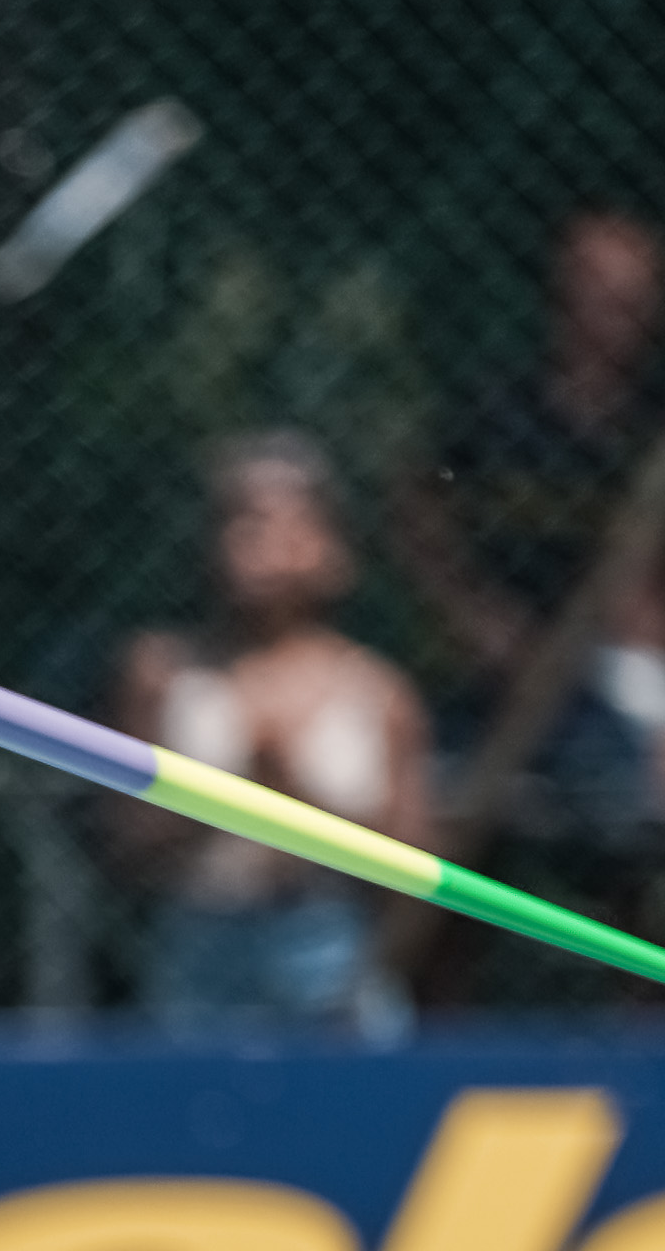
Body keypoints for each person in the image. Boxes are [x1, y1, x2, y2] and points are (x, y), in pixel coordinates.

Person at [111, 433, 430, 1041]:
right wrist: (225, 797)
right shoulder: (164, 672)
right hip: (201, 943)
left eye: (279, 523)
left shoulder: (379, 691)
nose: (252, 543)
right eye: (237, 521)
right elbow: (126, 844)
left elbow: (412, 865)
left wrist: (293, 795)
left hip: (335, 948)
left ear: (331, 545)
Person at [398, 210, 665, 862]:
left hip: (615, 674)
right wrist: (472, 614)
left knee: (632, 823)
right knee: (435, 822)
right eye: (593, 289)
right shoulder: (495, 410)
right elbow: (415, 505)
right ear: (559, 292)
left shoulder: (651, 430)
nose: (608, 312)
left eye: (630, 296)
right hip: (489, 669)